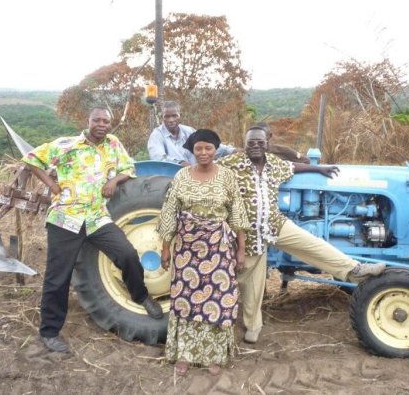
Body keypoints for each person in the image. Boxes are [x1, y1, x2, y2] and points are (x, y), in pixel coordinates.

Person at [219, 126, 386, 344]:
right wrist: (187, 168)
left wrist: (319, 169)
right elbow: (209, 169)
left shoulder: (275, 164)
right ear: (245, 145)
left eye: (260, 142)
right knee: (252, 283)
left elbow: (293, 166)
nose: (256, 146)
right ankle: (252, 326)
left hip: (274, 223)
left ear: (267, 144)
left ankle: (354, 270)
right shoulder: (232, 164)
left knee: (313, 244)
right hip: (247, 232)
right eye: (251, 143)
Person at [22, 106, 163, 353]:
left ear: (110, 124)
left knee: (128, 255)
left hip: (97, 218)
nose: (101, 124)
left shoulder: (113, 144)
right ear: (88, 121)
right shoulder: (67, 145)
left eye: (106, 121)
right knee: (58, 277)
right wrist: (52, 185)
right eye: (96, 120)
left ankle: (140, 296)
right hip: (66, 219)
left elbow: (128, 168)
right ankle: (50, 331)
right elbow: (32, 159)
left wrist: (114, 180)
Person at [157, 129, 249, 376]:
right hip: (187, 248)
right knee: (186, 298)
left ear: (216, 149)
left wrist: (241, 250)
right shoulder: (182, 176)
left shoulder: (227, 177)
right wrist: (165, 247)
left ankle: (213, 356)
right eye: (199, 148)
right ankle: (184, 354)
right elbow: (169, 212)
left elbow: (237, 213)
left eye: (208, 148)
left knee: (217, 298)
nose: (204, 152)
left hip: (218, 247)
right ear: (192, 150)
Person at [148, 101, 235, 166]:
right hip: (169, 177)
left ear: (180, 115)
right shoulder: (157, 135)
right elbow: (158, 159)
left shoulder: (188, 131)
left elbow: (208, 144)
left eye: (174, 116)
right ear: (162, 117)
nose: (171, 120)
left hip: (194, 175)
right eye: (167, 116)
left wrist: (230, 151)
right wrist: (180, 163)